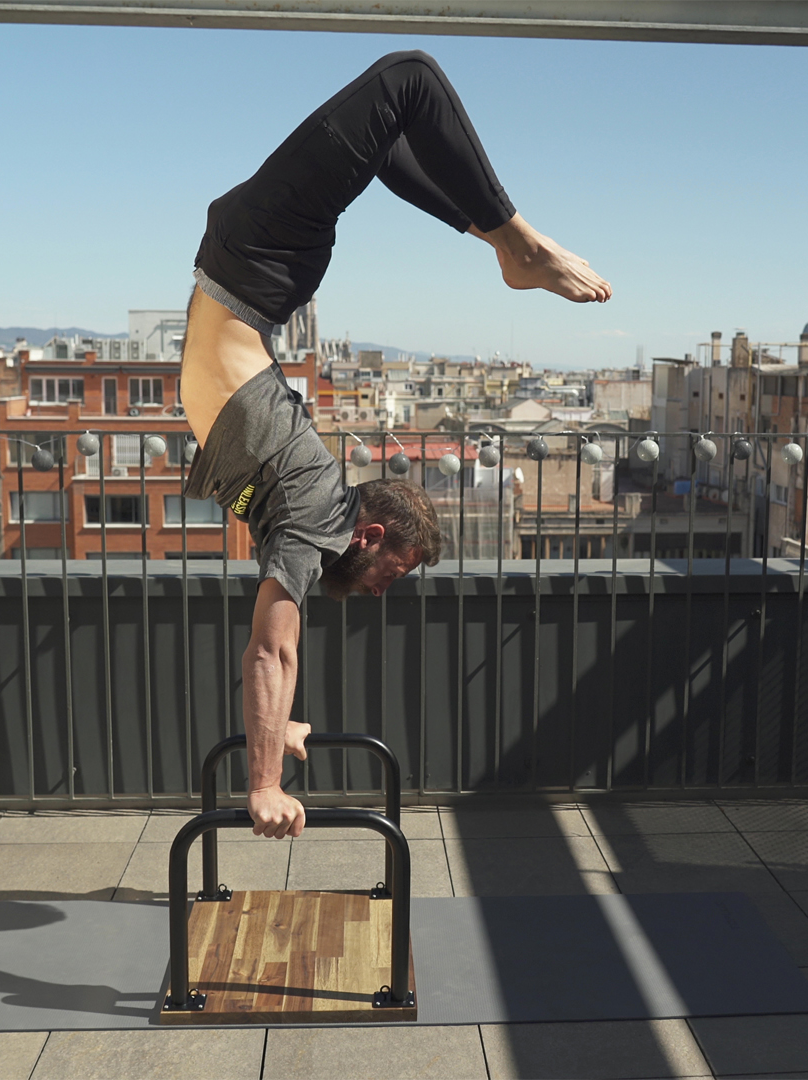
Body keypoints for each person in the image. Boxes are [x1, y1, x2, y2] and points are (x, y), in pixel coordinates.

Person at [178, 50, 612, 840]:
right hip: (257, 262)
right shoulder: (315, 515)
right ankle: (517, 243)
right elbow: (270, 656)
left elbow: (278, 648)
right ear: (369, 534)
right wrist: (264, 783)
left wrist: (284, 728)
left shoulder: (304, 527)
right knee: (409, 78)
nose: (383, 591)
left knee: (381, 143)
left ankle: (501, 245)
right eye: (392, 574)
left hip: (250, 271)